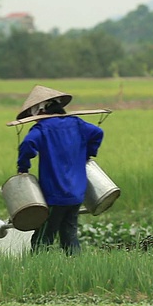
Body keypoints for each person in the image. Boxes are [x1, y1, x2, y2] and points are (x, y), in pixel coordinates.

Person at [16, 85, 104, 255]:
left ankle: (37, 269)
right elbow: (97, 132)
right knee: (69, 236)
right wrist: (88, 153)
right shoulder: (77, 123)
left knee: (43, 238)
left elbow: (27, 145)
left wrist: (23, 167)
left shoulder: (42, 129)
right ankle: (75, 268)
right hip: (77, 194)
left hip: (55, 194)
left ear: (40, 111)